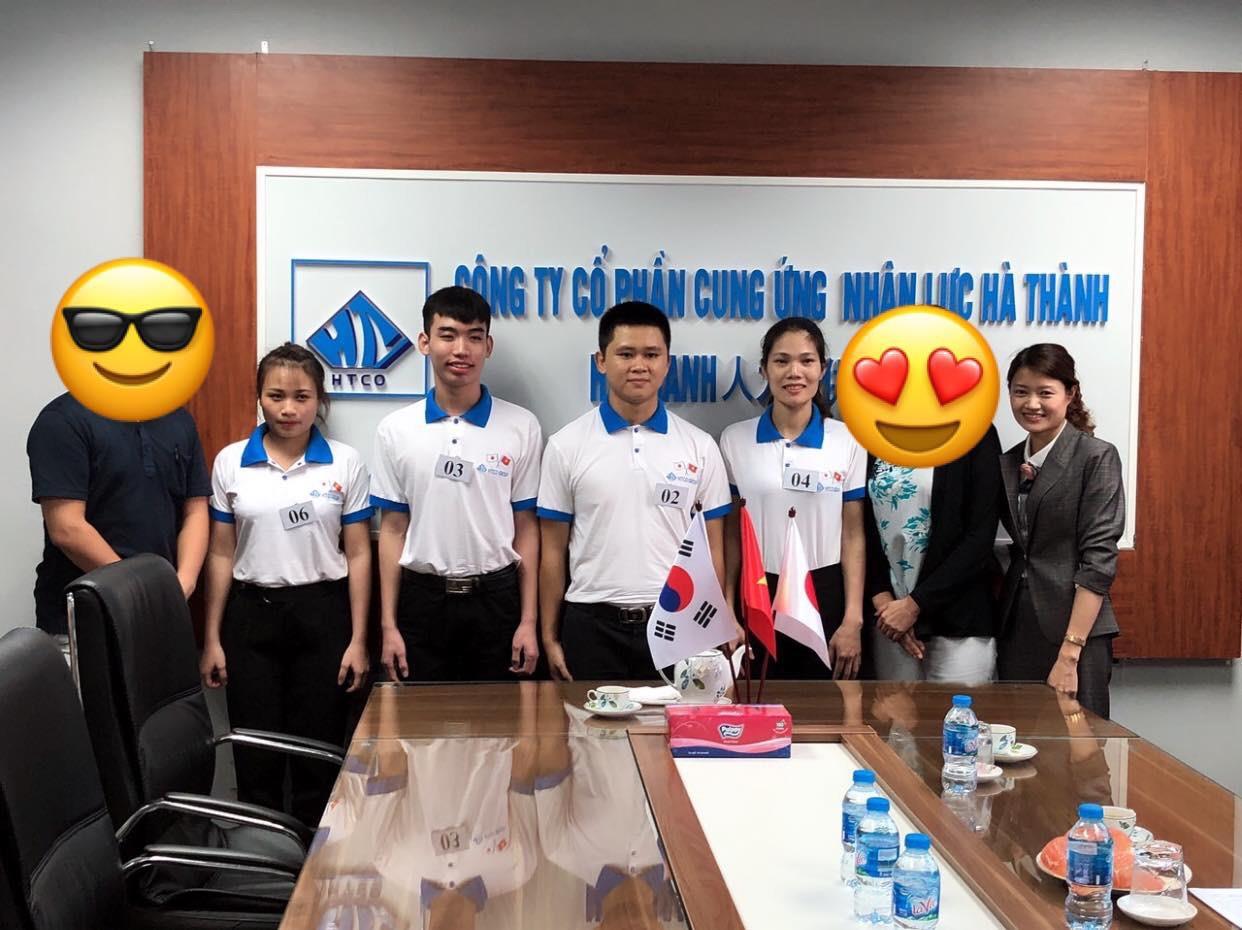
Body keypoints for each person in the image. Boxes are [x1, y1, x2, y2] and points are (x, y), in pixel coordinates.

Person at [199, 343, 372, 826]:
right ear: (259, 397)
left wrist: (359, 640)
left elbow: (359, 554)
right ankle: (262, 859)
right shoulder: (231, 462)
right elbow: (221, 553)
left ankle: (317, 857)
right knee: (256, 755)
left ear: (320, 400)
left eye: (302, 396)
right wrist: (211, 638)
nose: (289, 408)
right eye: (276, 396)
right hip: (251, 619)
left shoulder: (345, 463)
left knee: (320, 752)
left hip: (323, 616)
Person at [537, 300, 733, 681]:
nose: (639, 365)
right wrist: (549, 636)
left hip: (678, 622)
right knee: (586, 723)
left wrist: (715, 626)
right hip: (591, 625)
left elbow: (713, 550)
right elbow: (552, 553)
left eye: (651, 354)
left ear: (667, 363)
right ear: (601, 361)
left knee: (675, 721)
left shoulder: (699, 446)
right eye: (626, 354)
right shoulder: (565, 446)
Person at [372, 286, 542, 682]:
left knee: (500, 720)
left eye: (474, 337)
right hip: (422, 603)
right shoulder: (395, 430)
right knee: (421, 720)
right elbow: (393, 529)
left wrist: (528, 621)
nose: (461, 349)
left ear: (488, 346)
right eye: (447, 335)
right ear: (425, 342)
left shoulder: (521, 426)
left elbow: (526, 528)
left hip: (497, 602)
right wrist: (388, 625)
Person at [720, 318, 866, 680]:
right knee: (756, 703)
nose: (794, 372)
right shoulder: (734, 439)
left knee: (824, 706)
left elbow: (853, 536)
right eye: (781, 361)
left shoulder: (848, 439)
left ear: (823, 369)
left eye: (806, 361)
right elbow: (731, 535)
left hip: (824, 592)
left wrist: (852, 619)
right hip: (757, 591)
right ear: (764, 370)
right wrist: (727, 608)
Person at [997, 344, 1125, 719]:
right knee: (1018, 743)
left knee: (1079, 746)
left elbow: (1098, 562)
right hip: (1017, 625)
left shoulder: (1095, 456)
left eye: (1045, 393)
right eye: (1021, 392)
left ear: (1070, 394)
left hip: (1077, 631)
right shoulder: (1007, 462)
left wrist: (1070, 652)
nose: (1032, 404)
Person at [27, 393, 210, 635]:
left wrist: (182, 585)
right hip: (86, 616)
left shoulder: (179, 419)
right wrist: (136, 592)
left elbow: (195, 510)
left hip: (162, 612)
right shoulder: (62, 419)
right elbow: (66, 528)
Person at [864, 425, 1002, 684]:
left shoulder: (975, 430)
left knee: (957, 710)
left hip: (957, 621)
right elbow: (864, 529)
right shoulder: (874, 432)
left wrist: (914, 605)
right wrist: (884, 600)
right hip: (890, 619)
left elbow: (979, 537)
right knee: (893, 712)